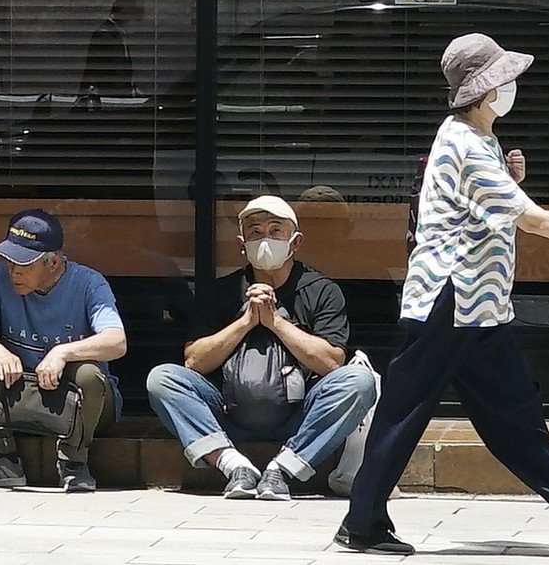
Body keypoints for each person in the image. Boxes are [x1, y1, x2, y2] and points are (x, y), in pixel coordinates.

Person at [334, 33, 549, 556]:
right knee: (406, 411)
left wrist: (510, 178)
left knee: (514, 410)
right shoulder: (465, 142)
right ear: (486, 91)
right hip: (450, 300)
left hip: (476, 305)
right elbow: (530, 219)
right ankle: (362, 523)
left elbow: (485, 207)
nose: (512, 87)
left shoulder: (477, 139)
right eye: (505, 80)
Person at [147, 195, 377, 501]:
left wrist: (275, 323)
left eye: (275, 230)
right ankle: (235, 467)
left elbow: (332, 363)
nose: (265, 238)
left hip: (300, 416)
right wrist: (244, 322)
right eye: (255, 231)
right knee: (162, 379)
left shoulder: (322, 291)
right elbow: (193, 362)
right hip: (228, 414)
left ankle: (282, 470)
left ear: (295, 242)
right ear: (242, 243)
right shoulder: (221, 292)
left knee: (359, 382)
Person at [0, 209, 127, 492]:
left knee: (90, 373)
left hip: (78, 401)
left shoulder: (89, 283)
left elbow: (117, 341)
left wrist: (62, 353)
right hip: (21, 390)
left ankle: (74, 464)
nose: (13, 271)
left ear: (53, 262)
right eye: (9, 260)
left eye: (24, 264)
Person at [79, 0, 145, 98]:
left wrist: (131, 88)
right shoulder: (105, 36)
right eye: (135, 17)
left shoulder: (118, 34)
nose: (138, 22)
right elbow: (101, 73)